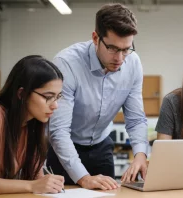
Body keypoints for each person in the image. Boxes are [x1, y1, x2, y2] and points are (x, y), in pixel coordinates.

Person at [46, 3, 148, 190]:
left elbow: (135, 119)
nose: (120, 58)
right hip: (65, 148)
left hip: (101, 146)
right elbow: (59, 131)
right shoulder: (67, 64)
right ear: (95, 38)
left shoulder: (133, 63)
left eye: (126, 49)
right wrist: (83, 178)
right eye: (113, 48)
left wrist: (141, 154)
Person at [0, 55, 64, 194]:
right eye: (48, 97)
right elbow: (34, 184)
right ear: (22, 94)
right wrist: (32, 185)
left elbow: (38, 179)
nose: (55, 105)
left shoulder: (33, 125)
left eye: (58, 96)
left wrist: (48, 184)